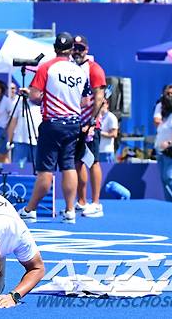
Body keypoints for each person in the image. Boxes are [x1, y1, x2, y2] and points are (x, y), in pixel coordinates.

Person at [19, 32, 87, 224]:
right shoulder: (79, 71)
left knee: (45, 170)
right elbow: (85, 100)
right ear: (71, 50)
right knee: (68, 166)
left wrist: (43, 97)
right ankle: (70, 211)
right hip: (74, 123)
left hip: (53, 123)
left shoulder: (46, 68)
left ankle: (30, 209)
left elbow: (34, 96)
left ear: (55, 48)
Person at [72, 35, 107, 219]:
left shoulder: (94, 69)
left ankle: (96, 203)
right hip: (74, 123)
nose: (77, 51)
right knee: (78, 162)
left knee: (93, 161)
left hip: (90, 124)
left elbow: (99, 98)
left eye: (81, 48)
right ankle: (82, 201)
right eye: (74, 48)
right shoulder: (71, 68)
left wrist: (92, 122)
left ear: (86, 50)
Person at [7, 90, 42, 168]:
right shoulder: (19, 101)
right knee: (18, 169)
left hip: (39, 142)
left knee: (39, 169)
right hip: (20, 141)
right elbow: (13, 121)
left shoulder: (44, 102)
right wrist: (9, 140)